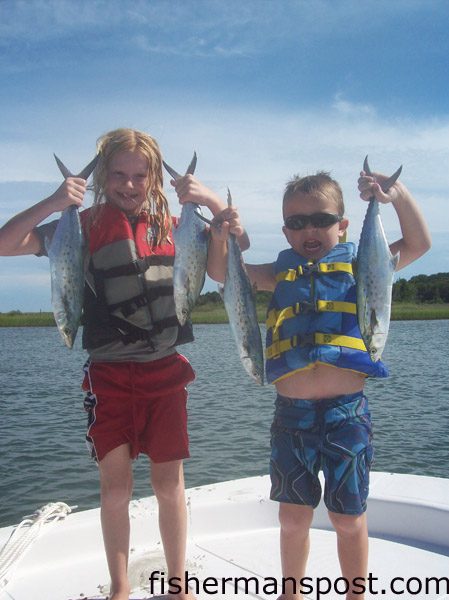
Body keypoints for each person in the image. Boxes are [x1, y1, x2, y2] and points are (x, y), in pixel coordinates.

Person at [0, 128, 248, 600]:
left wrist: (215, 205)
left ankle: (180, 586)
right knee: (115, 488)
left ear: (155, 179)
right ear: (102, 179)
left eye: (140, 176)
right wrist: (55, 201)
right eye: (119, 175)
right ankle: (119, 587)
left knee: (170, 485)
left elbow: (222, 268)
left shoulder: (179, 226)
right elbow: (4, 243)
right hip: (108, 375)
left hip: (166, 371)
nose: (130, 185)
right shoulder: (82, 225)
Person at [207, 167, 431, 600]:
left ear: (343, 225)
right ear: (286, 231)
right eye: (296, 222)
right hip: (292, 418)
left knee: (348, 518)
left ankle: (356, 594)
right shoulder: (277, 273)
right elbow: (223, 273)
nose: (309, 229)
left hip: (348, 414)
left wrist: (394, 195)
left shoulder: (362, 263)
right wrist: (222, 237)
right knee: (292, 519)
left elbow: (420, 243)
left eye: (322, 219)